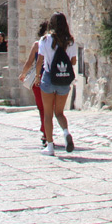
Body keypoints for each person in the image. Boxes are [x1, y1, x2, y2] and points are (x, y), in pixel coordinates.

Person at [36, 13, 77, 156]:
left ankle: (50, 146)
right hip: (63, 80)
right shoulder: (70, 41)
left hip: (48, 78)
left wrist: (37, 76)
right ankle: (66, 133)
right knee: (59, 112)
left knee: (48, 114)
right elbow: (73, 62)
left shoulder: (45, 39)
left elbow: (40, 60)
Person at [17, 21, 49, 148]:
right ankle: (47, 132)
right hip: (51, 78)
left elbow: (30, 62)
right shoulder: (55, 44)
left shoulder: (37, 45)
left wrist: (23, 74)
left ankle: (45, 132)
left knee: (42, 108)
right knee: (49, 108)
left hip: (39, 78)